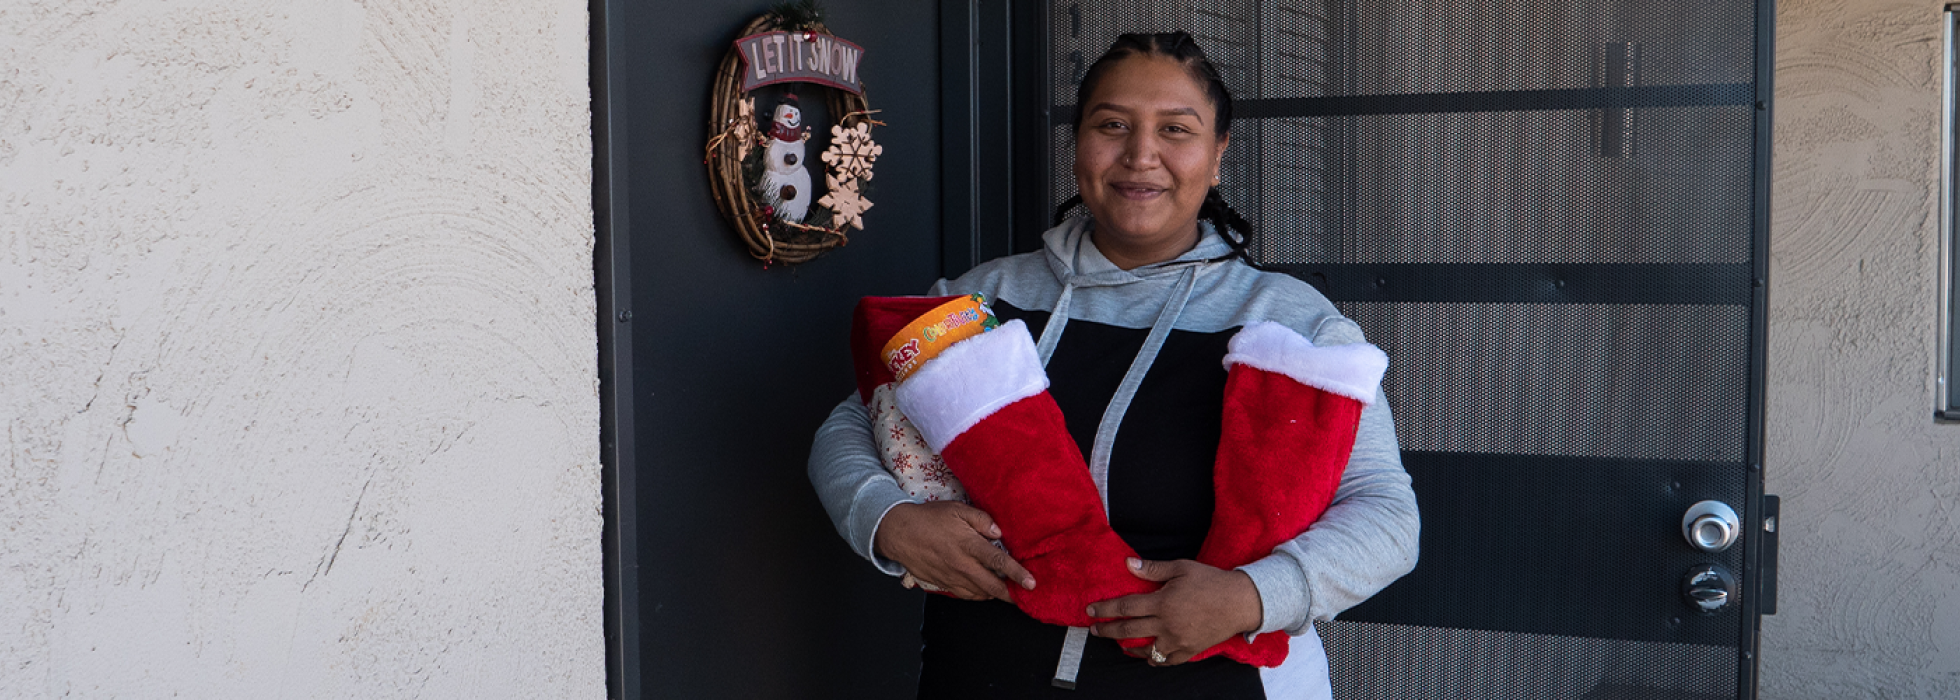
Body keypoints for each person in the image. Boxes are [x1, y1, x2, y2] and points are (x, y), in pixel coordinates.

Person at [808, 32, 1418, 699]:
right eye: (1112, 125)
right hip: (978, 676)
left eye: (1175, 130)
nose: (1140, 154)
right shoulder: (979, 300)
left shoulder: (1292, 324)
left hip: (1207, 683)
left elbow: (1386, 515)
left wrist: (1253, 596)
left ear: (1218, 156)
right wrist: (886, 521)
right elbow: (850, 430)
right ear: (1080, 146)